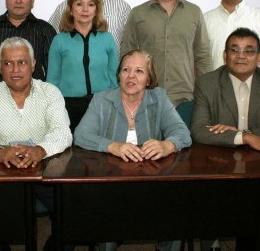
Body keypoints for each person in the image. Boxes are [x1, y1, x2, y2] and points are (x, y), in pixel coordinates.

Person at [74, 49, 190, 251]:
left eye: (139, 71)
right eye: (126, 70)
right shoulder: (101, 100)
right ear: (118, 74)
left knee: (176, 205)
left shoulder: (159, 98)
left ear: (149, 78)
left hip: (151, 180)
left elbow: (182, 132)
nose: (131, 76)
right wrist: (113, 146)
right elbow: (81, 135)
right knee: (106, 210)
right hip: (110, 181)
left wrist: (166, 145)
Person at [0, 37, 71, 167]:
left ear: (33, 64)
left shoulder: (50, 93)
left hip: (42, 167)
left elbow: (63, 134)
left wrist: (40, 150)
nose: (15, 70)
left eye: (22, 62)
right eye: (8, 63)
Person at [190, 27, 260, 155]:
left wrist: (245, 134)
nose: (241, 56)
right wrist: (244, 138)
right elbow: (198, 131)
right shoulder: (206, 83)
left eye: (248, 51)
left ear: (259, 58)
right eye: (234, 50)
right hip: (222, 158)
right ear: (225, 55)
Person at [121, 0, 212, 107]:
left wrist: (207, 94)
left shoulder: (193, 12)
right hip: (147, 97)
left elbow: (203, 56)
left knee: (184, 132)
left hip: (185, 97)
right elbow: (126, 55)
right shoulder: (138, 14)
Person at [47, 0, 119, 131]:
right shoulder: (59, 41)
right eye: (79, 4)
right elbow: (52, 82)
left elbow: (114, 78)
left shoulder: (107, 39)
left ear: (96, 10)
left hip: (102, 105)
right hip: (68, 107)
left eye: (90, 4)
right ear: (71, 10)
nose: (85, 9)